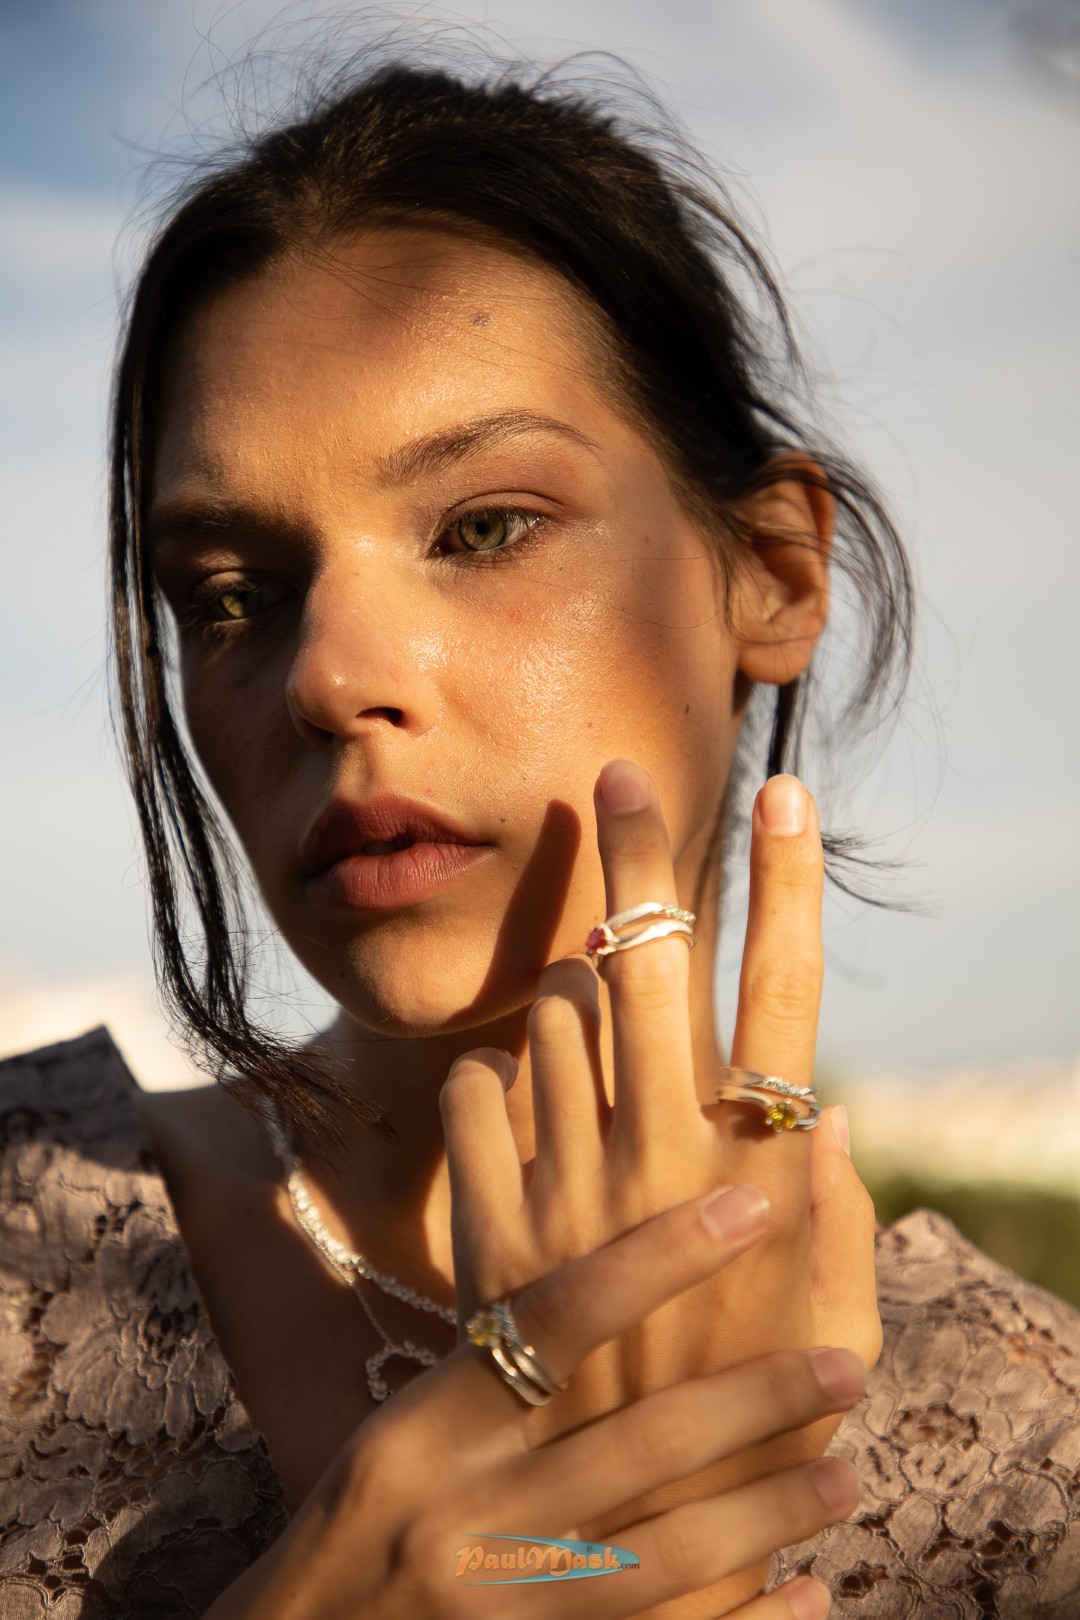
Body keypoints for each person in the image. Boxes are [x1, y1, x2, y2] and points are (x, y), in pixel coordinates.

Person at [1, 42, 1078, 1620]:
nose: (327, 679)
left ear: (774, 574)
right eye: (230, 595)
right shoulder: (25, 1229)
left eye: (485, 526)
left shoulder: (1029, 1467)